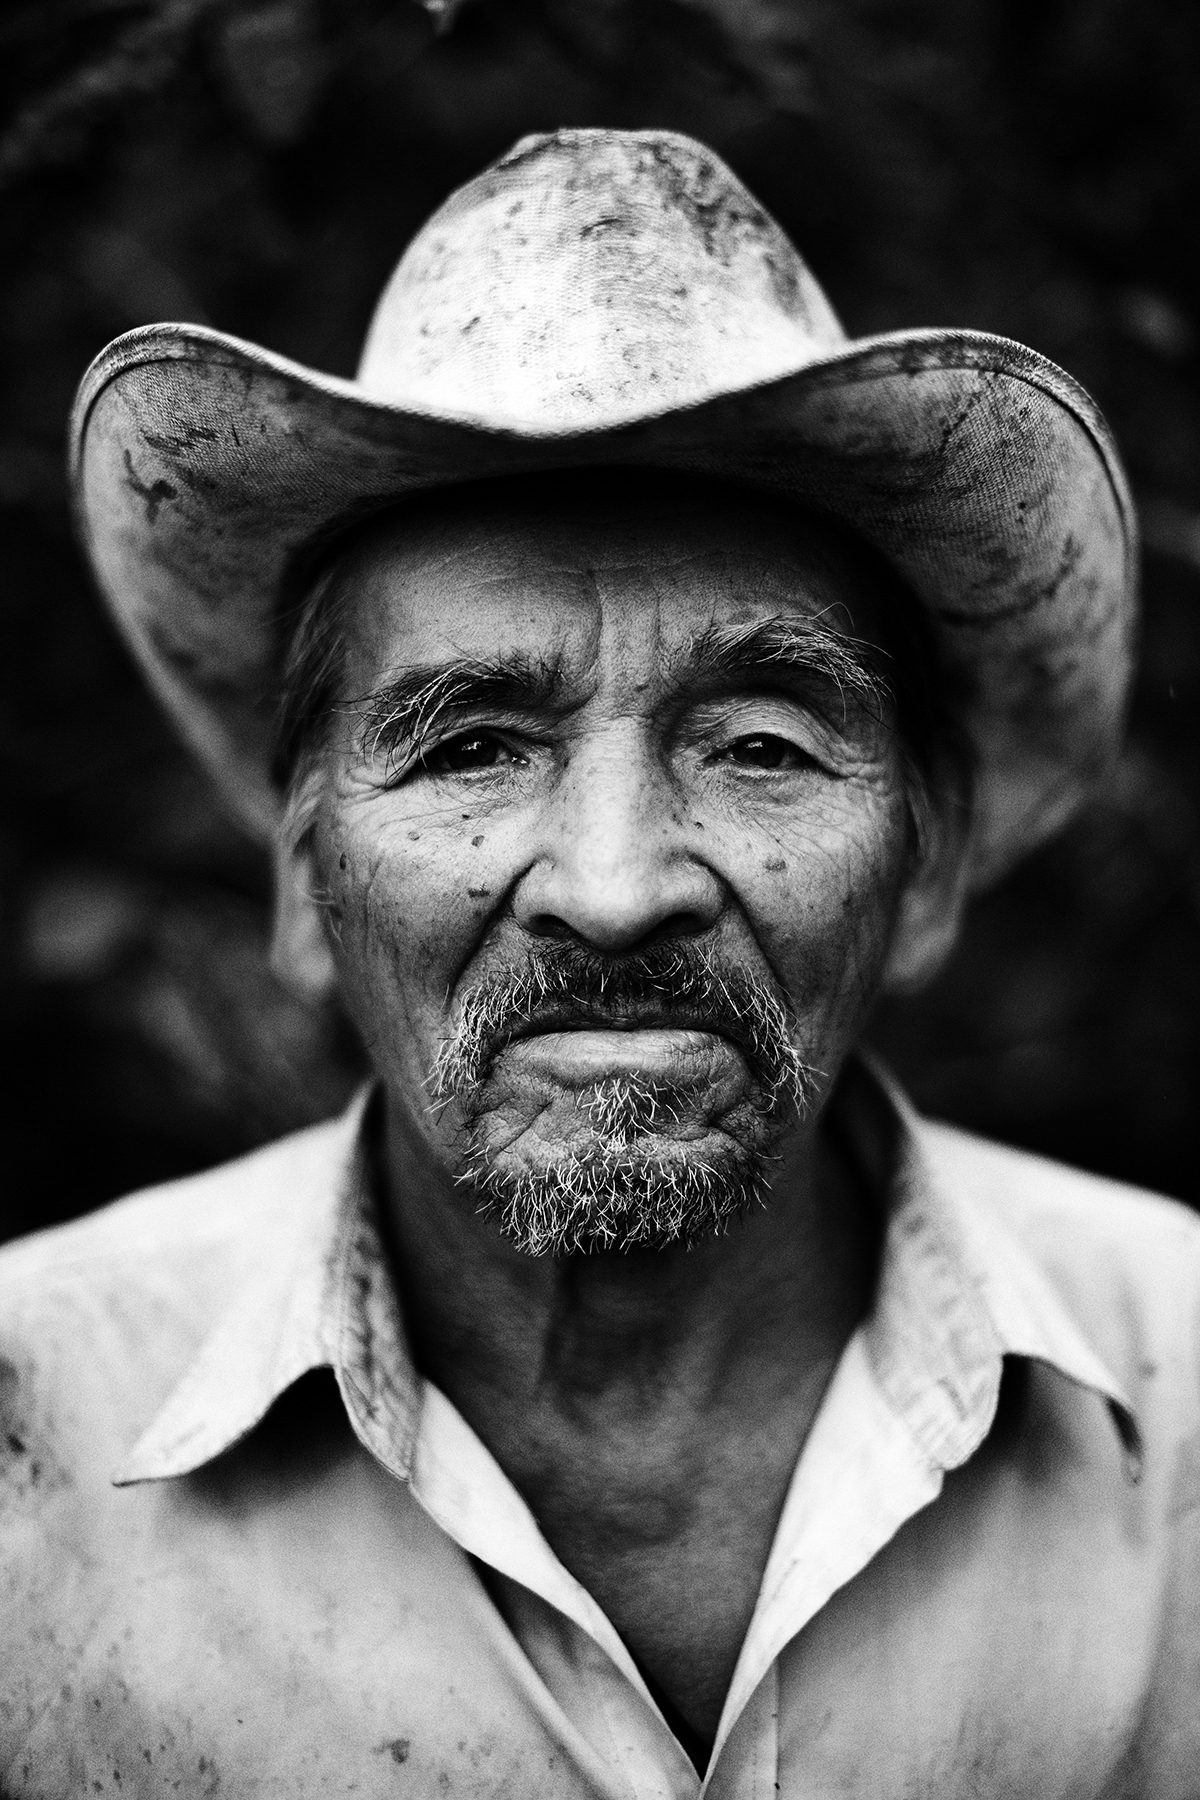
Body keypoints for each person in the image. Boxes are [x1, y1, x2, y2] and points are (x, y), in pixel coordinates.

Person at [2, 127, 1196, 1798]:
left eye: (763, 745)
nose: (618, 890)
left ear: (923, 876)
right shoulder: (29, 1420)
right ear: (299, 879)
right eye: (476, 744)